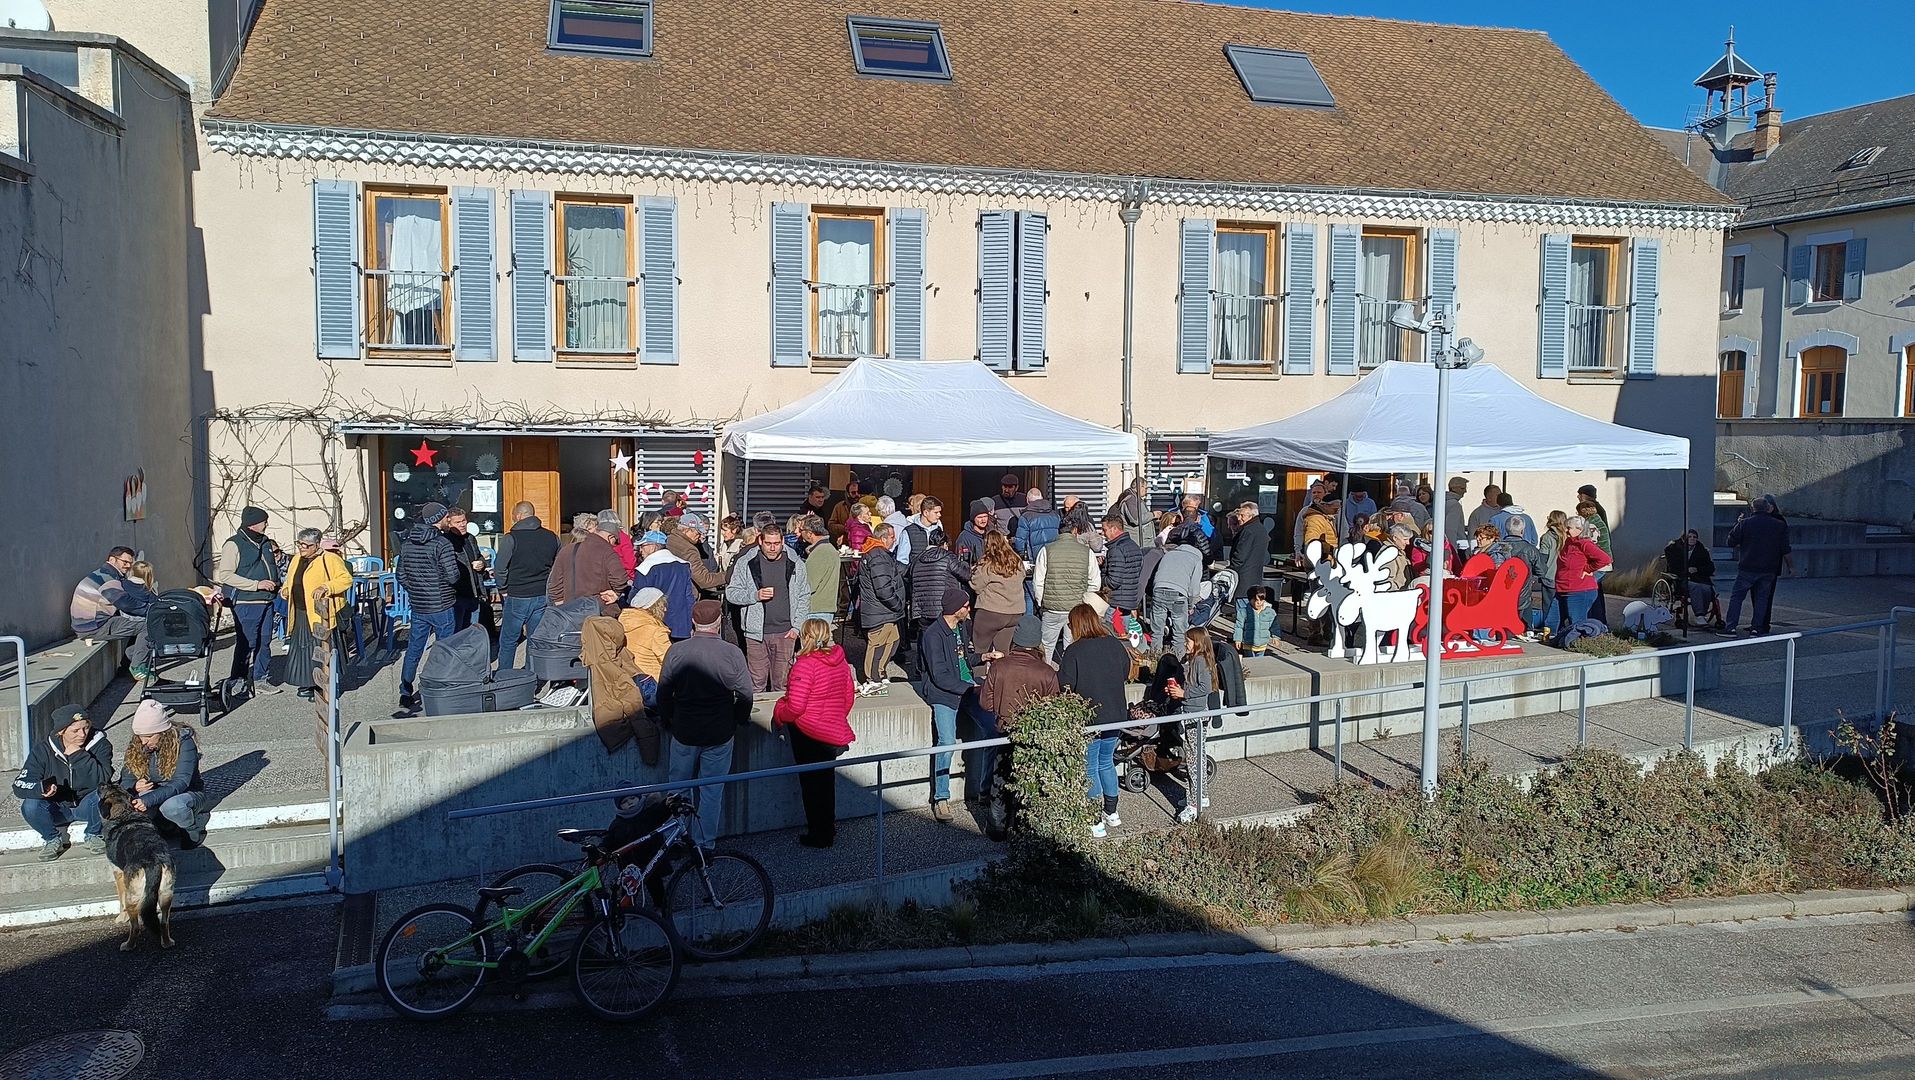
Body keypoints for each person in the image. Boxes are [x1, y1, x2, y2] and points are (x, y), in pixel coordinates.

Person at [656, 600, 754, 846]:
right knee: (711, 792)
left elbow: (663, 693)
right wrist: (738, 718)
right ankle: (704, 844)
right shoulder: (732, 653)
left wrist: (669, 719)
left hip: (684, 730)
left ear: (693, 622)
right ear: (719, 622)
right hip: (720, 731)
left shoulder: (677, 651)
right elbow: (745, 694)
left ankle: (676, 840)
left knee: (678, 789)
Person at [768, 618, 858, 848]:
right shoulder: (839, 660)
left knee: (811, 785)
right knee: (826, 782)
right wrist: (836, 716)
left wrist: (780, 713)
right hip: (830, 728)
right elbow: (849, 695)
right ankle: (828, 827)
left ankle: (818, 833)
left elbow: (796, 706)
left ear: (806, 637)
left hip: (807, 731)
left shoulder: (805, 664)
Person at [1058, 604, 1129, 838]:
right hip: (1115, 714)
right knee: (1106, 762)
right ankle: (1111, 812)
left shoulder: (1074, 651)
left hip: (1090, 718)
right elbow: (1125, 672)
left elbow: (1065, 686)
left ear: (1076, 625)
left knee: (1090, 766)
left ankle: (1094, 819)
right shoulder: (1114, 644)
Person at [14, 707, 113, 860]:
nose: (82, 734)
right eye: (75, 731)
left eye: (86, 728)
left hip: (88, 806)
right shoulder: (42, 750)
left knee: (105, 793)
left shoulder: (100, 744)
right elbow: (20, 784)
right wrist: (41, 789)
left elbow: (103, 778)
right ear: (61, 731)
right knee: (30, 805)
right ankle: (52, 839)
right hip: (57, 808)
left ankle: (93, 834)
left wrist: (78, 755)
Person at [919, 587, 982, 822]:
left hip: (966, 685)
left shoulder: (961, 627)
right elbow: (940, 676)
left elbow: (965, 659)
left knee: (990, 730)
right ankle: (941, 798)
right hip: (944, 694)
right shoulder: (933, 635)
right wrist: (969, 688)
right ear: (956, 609)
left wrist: (984, 657)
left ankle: (985, 789)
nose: (969, 609)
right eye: (966, 606)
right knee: (946, 742)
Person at [725, 522, 811, 693]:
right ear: (760, 541)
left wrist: (797, 627)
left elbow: (804, 595)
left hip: (785, 632)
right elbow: (731, 593)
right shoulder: (746, 562)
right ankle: (756, 712)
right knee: (757, 684)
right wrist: (754, 596)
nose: (772, 548)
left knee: (782, 685)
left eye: (776, 543)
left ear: (783, 542)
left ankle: (780, 712)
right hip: (755, 634)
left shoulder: (795, 563)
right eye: (768, 543)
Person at [395, 502, 462, 715]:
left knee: (414, 649)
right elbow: (453, 576)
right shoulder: (442, 543)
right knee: (444, 649)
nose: (448, 520)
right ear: (439, 519)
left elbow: (400, 575)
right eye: (446, 517)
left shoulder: (407, 543)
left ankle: (405, 691)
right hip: (442, 604)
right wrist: (440, 586)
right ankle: (439, 687)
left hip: (419, 605)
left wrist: (416, 590)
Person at [121, 699, 208, 847]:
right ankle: (159, 829)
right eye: (140, 736)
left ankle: (192, 831)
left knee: (172, 806)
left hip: (187, 793)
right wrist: (135, 786)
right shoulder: (138, 744)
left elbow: (181, 782)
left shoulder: (184, 742)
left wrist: (148, 800)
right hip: (155, 793)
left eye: (149, 736)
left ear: (163, 732)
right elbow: (126, 779)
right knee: (134, 804)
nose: (143, 741)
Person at [215, 506, 282, 693]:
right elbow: (226, 575)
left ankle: (261, 679)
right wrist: (256, 584)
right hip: (247, 601)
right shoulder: (234, 544)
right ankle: (238, 680)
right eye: (264, 521)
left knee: (264, 641)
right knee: (247, 643)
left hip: (267, 600)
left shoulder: (265, 542)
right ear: (253, 524)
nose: (266, 524)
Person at [281, 527, 353, 700]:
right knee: (303, 649)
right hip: (300, 611)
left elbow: (346, 579)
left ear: (317, 545)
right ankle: (307, 682)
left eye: (306, 545)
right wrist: (286, 589)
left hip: (321, 614)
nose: (301, 548)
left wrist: (326, 587)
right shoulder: (296, 559)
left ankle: (325, 685)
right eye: (299, 543)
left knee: (321, 648)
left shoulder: (330, 559)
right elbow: (291, 579)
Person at [1162, 626, 1221, 823]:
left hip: (1196, 715)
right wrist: (1178, 690)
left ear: (1197, 643)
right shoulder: (1194, 660)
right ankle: (1201, 796)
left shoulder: (1200, 661)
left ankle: (1194, 804)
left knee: (1194, 761)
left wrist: (1183, 693)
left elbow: (1206, 687)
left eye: (1188, 641)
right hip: (1192, 712)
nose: (1185, 644)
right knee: (1197, 757)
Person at [71, 546, 154, 680]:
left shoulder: (101, 574)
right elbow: (125, 603)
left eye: (130, 563)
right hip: (95, 627)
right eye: (124, 562)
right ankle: (138, 667)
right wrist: (152, 611)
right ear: (112, 560)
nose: (128, 566)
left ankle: (127, 665)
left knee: (135, 624)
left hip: (86, 625)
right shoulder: (109, 579)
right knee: (146, 626)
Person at [494, 501, 558, 669]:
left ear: (519, 516)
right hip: (541, 594)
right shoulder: (551, 537)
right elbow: (558, 565)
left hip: (517, 595)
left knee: (509, 640)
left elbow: (500, 568)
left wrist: (503, 589)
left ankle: (505, 675)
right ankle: (531, 676)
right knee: (534, 639)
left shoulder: (511, 538)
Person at [1033, 518, 1101, 661]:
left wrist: (1041, 601)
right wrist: (1086, 602)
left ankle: (1046, 671)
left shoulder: (1046, 550)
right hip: (1076, 607)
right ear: (1075, 531)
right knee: (1072, 645)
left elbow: (1038, 580)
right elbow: (1095, 582)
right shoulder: (1086, 552)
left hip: (1052, 608)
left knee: (1046, 646)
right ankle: (1070, 671)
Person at [1725, 496, 1792, 636]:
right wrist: (1791, 566)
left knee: (1737, 598)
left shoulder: (1745, 523)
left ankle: (1730, 627)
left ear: (1753, 508)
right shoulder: (1779, 525)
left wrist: (1738, 524)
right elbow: (1785, 548)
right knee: (1762, 599)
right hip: (1768, 568)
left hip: (1748, 566)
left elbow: (1731, 541)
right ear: (1768, 508)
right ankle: (1757, 628)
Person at [855, 523, 908, 695]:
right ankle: (872, 679)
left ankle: (880, 673)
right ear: (883, 538)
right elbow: (883, 588)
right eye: (892, 537)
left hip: (885, 611)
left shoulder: (877, 553)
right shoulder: (878, 555)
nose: (894, 540)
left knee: (893, 640)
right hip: (880, 610)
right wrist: (898, 604)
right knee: (878, 644)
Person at [547, 511, 627, 616]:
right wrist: (616, 594)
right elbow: (620, 579)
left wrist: (563, 606)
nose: (614, 545)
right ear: (611, 537)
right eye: (615, 542)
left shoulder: (566, 550)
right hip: (600, 611)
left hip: (570, 612)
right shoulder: (608, 552)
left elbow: (555, 585)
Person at [970, 531, 1028, 659]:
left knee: (980, 652)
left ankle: (980, 672)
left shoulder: (987, 564)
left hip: (991, 612)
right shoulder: (1016, 561)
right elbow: (1023, 576)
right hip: (1015, 612)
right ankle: (1002, 672)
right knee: (1003, 653)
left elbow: (976, 585)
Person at [1551, 515, 1611, 637]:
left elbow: (1605, 559)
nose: (1566, 530)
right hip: (1562, 588)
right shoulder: (1569, 542)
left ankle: (1578, 644)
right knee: (1551, 622)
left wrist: (1588, 569)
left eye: (1569, 528)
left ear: (1579, 529)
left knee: (1576, 624)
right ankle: (1553, 642)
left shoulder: (1585, 544)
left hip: (1579, 590)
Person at [1149, 528, 1205, 657]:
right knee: (1179, 634)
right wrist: (1191, 605)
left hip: (1159, 589)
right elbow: (1194, 588)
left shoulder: (1169, 554)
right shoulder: (1196, 558)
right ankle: (1177, 661)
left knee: (1157, 631)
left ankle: (1154, 658)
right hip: (1179, 594)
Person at [1486, 521, 1548, 636]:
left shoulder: (1496, 547)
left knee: (1502, 627)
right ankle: (1526, 631)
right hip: (1522, 593)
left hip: (1499, 592)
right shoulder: (1530, 549)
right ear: (1522, 531)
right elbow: (1542, 571)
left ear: (1506, 530)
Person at [633, 529, 697, 640]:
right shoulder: (683, 565)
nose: (640, 550)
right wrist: (689, 624)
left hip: (655, 625)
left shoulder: (646, 568)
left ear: (653, 547)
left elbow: (637, 600)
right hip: (680, 626)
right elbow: (689, 597)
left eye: (643, 546)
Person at [439, 506, 487, 631]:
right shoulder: (445, 542)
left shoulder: (470, 538)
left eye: (464, 520)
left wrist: (481, 563)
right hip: (457, 595)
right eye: (458, 522)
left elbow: (479, 556)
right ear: (449, 524)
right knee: (457, 632)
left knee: (472, 631)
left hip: (474, 592)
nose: (462, 525)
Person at [1664, 530, 1724, 629]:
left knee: (1707, 588)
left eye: (1694, 537)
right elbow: (1673, 566)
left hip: (1699, 577)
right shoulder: (1674, 548)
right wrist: (1686, 570)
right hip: (1682, 579)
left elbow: (1710, 567)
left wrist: (1697, 569)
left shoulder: (1701, 550)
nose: (1692, 539)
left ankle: (1702, 614)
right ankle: (1699, 615)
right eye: (1690, 537)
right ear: (1684, 539)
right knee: (1696, 587)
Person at [667, 512, 729, 597]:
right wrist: (728, 575)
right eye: (698, 533)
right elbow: (704, 580)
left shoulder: (670, 540)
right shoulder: (688, 549)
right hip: (684, 595)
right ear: (687, 530)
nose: (700, 536)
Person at [619, 586, 673, 683]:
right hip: (652, 681)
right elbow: (669, 661)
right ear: (653, 607)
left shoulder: (622, 623)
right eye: (662, 606)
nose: (665, 609)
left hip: (629, 678)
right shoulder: (656, 632)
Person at [799, 515, 841, 626]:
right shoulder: (828, 549)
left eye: (801, 530)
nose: (799, 533)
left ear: (809, 533)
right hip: (824, 609)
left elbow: (809, 585)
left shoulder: (820, 552)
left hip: (816, 610)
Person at [1099, 515, 1144, 616]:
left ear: (1114, 529)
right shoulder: (1134, 546)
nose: (1102, 533)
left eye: (1104, 530)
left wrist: (1101, 576)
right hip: (1129, 600)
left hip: (1116, 603)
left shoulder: (1116, 549)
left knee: (1111, 625)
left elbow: (1114, 581)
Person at [1536, 511, 1567, 638]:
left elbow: (1543, 558)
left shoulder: (1547, 537)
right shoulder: (1567, 536)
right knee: (1562, 606)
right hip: (1565, 576)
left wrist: (1539, 574)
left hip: (1550, 576)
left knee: (1548, 606)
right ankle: (1561, 629)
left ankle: (1549, 632)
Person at [1235, 585, 1277, 657]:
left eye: (1261, 600)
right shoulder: (1243, 612)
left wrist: (1275, 636)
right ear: (1250, 600)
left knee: (1259, 661)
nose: (1259, 602)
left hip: (1262, 644)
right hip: (1248, 644)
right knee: (1250, 661)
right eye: (1256, 600)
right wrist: (1238, 639)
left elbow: (1274, 625)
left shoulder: (1270, 612)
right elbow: (1239, 626)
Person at [1015, 493, 1060, 559]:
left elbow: (1020, 541)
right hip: (1053, 556)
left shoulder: (1025, 517)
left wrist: (1022, 554)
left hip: (1035, 557)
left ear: (1027, 500)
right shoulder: (1055, 515)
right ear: (1041, 498)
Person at [1291, 480, 1328, 558]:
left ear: (1325, 494)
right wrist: (1298, 550)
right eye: (1314, 493)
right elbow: (1298, 531)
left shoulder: (1333, 511)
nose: (1316, 494)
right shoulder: (1304, 511)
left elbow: (1343, 529)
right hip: (1309, 549)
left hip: (1329, 549)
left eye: (1319, 492)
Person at [599, 509, 636, 584]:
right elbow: (630, 562)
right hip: (620, 577)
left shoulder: (598, 538)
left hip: (608, 577)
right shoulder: (623, 537)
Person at [956, 500, 996, 567]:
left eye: (985, 516)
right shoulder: (964, 538)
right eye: (980, 517)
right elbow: (963, 563)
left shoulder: (991, 534)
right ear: (973, 518)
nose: (983, 520)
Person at [1117, 477, 1151, 550]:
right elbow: (1136, 519)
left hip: (1142, 542)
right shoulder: (1131, 500)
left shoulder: (1136, 499)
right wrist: (1153, 515)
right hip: (1137, 542)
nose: (1146, 491)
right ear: (1140, 486)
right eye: (1145, 488)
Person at [827, 479, 864, 545]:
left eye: (859, 492)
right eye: (853, 493)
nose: (857, 495)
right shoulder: (839, 506)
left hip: (862, 543)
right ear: (848, 494)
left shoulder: (865, 507)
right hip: (844, 543)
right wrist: (845, 528)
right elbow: (831, 525)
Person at [876, 496, 911, 564]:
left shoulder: (887, 527)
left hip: (892, 560)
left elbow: (888, 547)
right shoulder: (905, 521)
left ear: (880, 512)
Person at [1444, 477, 1469, 545]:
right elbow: (1450, 529)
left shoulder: (1444, 501)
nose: (1465, 491)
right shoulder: (1454, 504)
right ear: (1453, 488)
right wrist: (1452, 548)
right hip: (1457, 544)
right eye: (1462, 488)